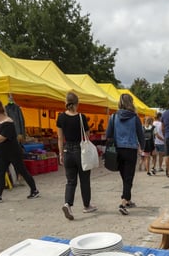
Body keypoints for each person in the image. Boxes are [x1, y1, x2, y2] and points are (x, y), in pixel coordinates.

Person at [0, 99, 39, 203]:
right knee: (1, 172)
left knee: (22, 170)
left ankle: (34, 189)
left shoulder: (9, 122)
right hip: (2, 152)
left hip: (13, 152)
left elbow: (2, 137)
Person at [56, 92, 97, 220]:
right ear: (77, 104)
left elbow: (59, 137)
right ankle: (86, 205)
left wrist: (61, 153)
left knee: (70, 181)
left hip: (67, 150)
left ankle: (68, 204)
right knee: (85, 180)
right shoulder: (81, 117)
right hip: (81, 151)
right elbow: (87, 135)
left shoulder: (61, 117)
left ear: (66, 103)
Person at [106, 93, 145, 215]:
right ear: (131, 103)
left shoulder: (113, 117)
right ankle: (123, 202)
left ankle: (128, 199)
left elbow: (108, 135)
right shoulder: (135, 117)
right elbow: (141, 135)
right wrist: (142, 148)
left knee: (125, 176)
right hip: (131, 149)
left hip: (118, 150)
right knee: (128, 177)